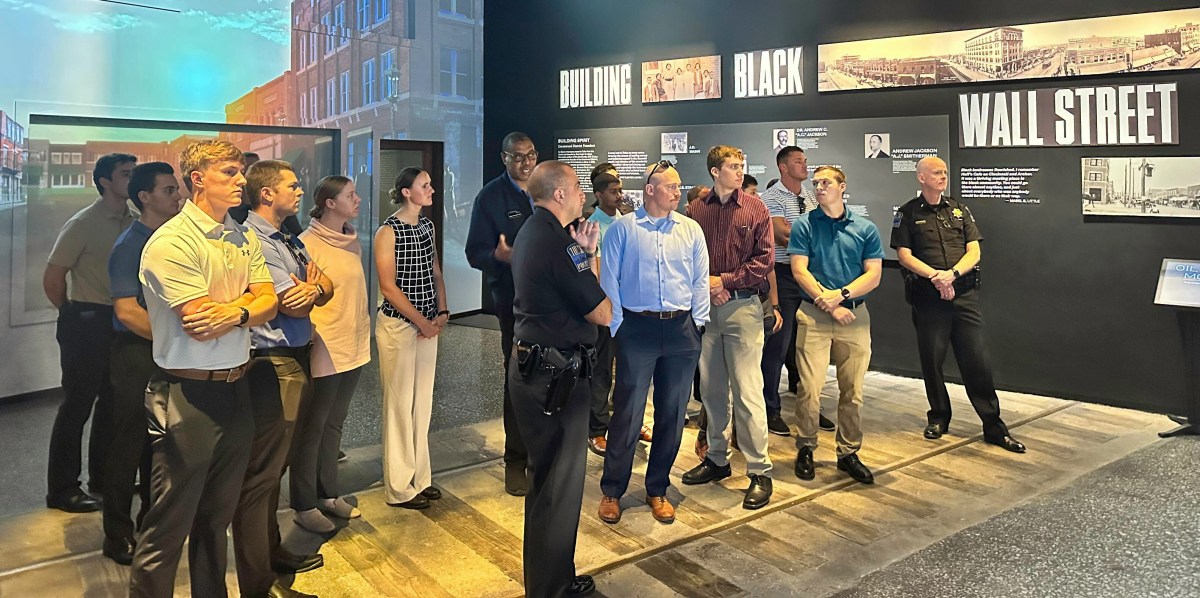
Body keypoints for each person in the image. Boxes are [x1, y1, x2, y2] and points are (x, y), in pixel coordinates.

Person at [129, 140, 282, 597]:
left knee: (216, 519)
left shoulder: (243, 233)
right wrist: (247, 306)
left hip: (237, 386)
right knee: (169, 524)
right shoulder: (172, 243)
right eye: (231, 173)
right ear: (198, 179)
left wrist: (235, 313)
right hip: (187, 395)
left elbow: (269, 302)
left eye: (241, 173)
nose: (242, 181)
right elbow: (199, 322)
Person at [509, 161, 611, 597]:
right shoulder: (556, 243)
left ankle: (552, 579)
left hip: (538, 370)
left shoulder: (536, 231)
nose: (584, 196)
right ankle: (551, 589)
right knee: (558, 489)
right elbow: (602, 312)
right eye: (577, 188)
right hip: (557, 377)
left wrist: (584, 255)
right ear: (560, 194)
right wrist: (590, 258)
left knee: (548, 483)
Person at [235, 160, 332, 596]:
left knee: (276, 470)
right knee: (262, 477)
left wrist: (312, 289)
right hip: (271, 362)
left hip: (295, 356)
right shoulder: (254, 239)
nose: (300, 191)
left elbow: (323, 286)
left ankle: (272, 552)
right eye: (292, 185)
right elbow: (289, 302)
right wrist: (309, 292)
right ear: (267, 194)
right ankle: (258, 582)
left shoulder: (287, 237)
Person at [597, 161, 709, 525]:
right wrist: (617, 328)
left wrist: (697, 323)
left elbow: (699, 278)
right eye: (670, 186)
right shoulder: (623, 229)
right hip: (636, 329)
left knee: (673, 414)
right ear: (650, 190)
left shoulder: (690, 230)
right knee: (628, 413)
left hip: (680, 331)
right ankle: (612, 489)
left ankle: (657, 488)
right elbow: (609, 280)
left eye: (678, 187)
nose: (677, 192)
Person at [890, 157, 1026, 453]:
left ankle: (993, 426)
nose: (943, 177)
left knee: (977, 361)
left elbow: (974, 250)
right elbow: (904, 255)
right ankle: (939, 417)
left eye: (945, 172)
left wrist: (951, 275)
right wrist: (935, 278)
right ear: (922, 178)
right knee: (933, 362)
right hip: (928, 299)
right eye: (937, 173)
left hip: (963, 295)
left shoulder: (958, 209)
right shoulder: (907, 213)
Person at [43, 152, 136, 513]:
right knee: (77, 406)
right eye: (126, 174)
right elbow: (53, 279)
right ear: (105, 182)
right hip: (87, 320)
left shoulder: (136, 221)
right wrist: (70, 312)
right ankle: (63, 490)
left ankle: (103, 478)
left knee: (113, 405)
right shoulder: (83, 223)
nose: (132, 180)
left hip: (122, 319)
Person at [683, 145, 776, 510]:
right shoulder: (696, 210)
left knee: (749, 391)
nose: (740, 172)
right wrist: (710, 285)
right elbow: (687, 257)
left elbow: (764, 260)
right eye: (733, 166)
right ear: (714, 171)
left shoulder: (755, 208)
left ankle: (759, 470)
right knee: (712, 390)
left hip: (742, 308)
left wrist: (725, 282)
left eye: (742, 166)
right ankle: (717, 460)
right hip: (707, 309)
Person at [102, 162, 183, 565]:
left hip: (165, 354)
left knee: (161, 449)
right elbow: (127, 310)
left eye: (177, 189)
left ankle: (153, 527)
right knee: (129, 447)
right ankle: (117, 535)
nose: (178, 196)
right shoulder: (130, 244)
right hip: (136, 354)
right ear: (145, 198)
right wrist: (175, 339)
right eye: (169, 190)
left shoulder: (173, 241)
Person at [788, 166, 883, 485]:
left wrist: (841, 297)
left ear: (843, 186)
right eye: (815, 184)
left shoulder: (865, 228)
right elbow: (800, 270)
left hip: (854, 316)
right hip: (813, 315)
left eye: (825, 183)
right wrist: (826, 301)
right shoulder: (804, 225)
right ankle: (806, 447)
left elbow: (873, 274)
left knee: (853, 390)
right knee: (809, 389)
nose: (818, 188)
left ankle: (848, 452)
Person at [291, 175, 372, 531]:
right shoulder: (307, 244)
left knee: (334, 424)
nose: (357, 200)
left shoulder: (352, 241)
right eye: (350, 195)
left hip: (353, 343)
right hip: (325, 344)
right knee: (313, 427)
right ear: (329, 203)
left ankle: (328, 494)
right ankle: (304, 503)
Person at [465, 131, 538, 496]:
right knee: (518, 377)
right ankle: (515, 459)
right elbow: (474, 252)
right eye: (518, 157)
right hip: (514, 305)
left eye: (531, 155)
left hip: (552, 303)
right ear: (504, 158)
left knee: (551, 377)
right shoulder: (490, 197)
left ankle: (542, 454)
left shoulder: (545, 188)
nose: (526, 163)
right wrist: (499, 257)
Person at [376, 167, 449, 509]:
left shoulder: (426, 226)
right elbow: (388, 287)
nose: (431, 189)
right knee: (400, 404)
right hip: (399, 326)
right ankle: (399, 487)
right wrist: (421, 321)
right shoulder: (387, 231)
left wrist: (443, 311)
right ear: (407, 192)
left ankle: (420, 478)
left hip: (427, 324)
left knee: (422, 404)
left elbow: (434, 269)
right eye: (425, 185)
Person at [758, 147, 835, 437]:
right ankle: (770, 408)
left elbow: (826, 228)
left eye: (804, 160)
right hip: (783, 275)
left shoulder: (812, 197)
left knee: (811, 346)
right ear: (782, 167)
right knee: (777, 346)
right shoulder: (771, 198)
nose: (805, 165)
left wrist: (802, 230)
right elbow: (782, 235)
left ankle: (811, 408)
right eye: (797, 162)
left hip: (812, 274)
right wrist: (811, 230)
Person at [585, 172, 621, 455]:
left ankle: (623, 421)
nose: (619, 195)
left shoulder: (626, 222)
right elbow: (595, 272)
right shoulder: (592, 225)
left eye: (619, 190)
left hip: (630, 306)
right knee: (601, 370)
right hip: (607, 308)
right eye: (613, 191)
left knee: (629, 369)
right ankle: (597, 428)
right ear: (598, 195)